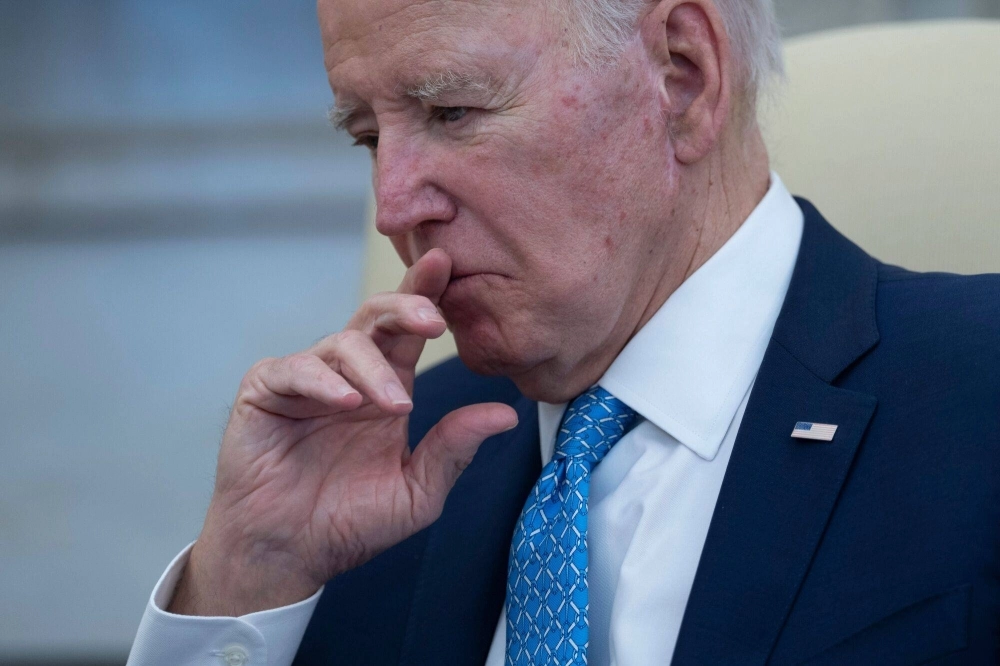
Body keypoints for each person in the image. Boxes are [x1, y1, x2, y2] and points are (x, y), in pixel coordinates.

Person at [127, 0, 1000, 663]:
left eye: (452, 112)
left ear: (682, 75)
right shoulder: (369, 475)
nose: (392, 206)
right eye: (366, 137)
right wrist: (248, 581)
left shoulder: (978, 393)